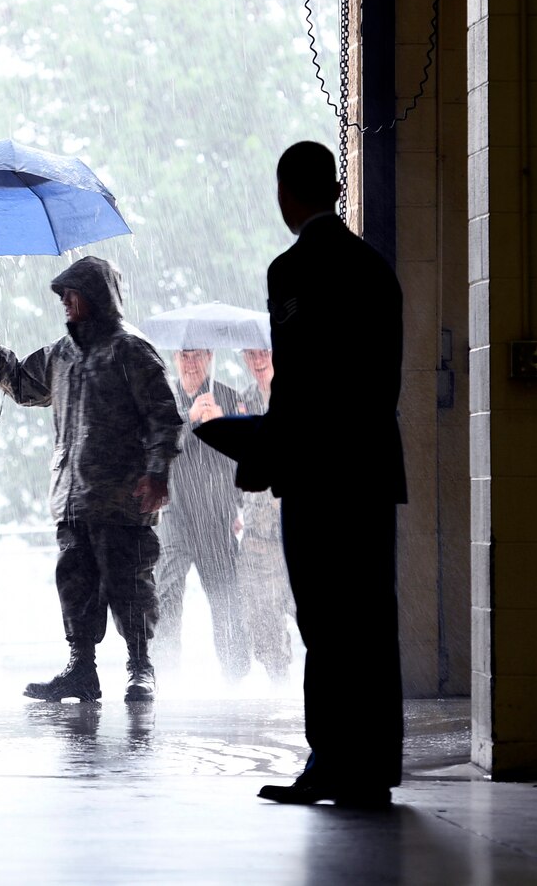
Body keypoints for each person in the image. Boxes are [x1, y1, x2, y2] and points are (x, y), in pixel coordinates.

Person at [243, 141, 407, 807]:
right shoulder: (377, 269)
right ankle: (375, 766)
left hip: (317, 474)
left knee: (324, 619)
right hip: (369, 468)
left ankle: (330, 760)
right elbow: (381, 380)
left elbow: (298, 380)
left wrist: (266, 455)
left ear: (288, 192)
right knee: (370, 615)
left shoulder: (293, 270)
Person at [0, 255, 181, 704]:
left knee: (130, 583)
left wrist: (157, 474)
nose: (65, 302)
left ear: (96, 296)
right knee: (75, 583)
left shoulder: (131, 350)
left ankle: (140, 668)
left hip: (123, 499)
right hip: (73, 500)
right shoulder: (62, 354)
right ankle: (82, 670)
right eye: (63, 296)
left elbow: (164, 416)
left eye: (73, 294)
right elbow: (20, 382)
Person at [153, 348, 250, 681]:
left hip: (216, 516)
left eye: (197, 355)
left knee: (227, 598)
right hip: (175, 514)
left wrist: (225, 427)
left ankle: (236, 677)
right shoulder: (162, 396)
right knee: (165, 598)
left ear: (210, 356)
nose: (190, 362)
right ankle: (163, 675)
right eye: (184, 355)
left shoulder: (229, 397)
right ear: (176, 358)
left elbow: (245, 456)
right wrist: (190, 418)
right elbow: (156, 446)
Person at [233, 346, 297, 684]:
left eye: (264, 352)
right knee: (261, 614)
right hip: (257, 533)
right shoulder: (241, 403)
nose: (257, 360)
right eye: (250, 354)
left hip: (296, 525)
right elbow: (231, 460)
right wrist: (233, 507)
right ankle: (279, 682)